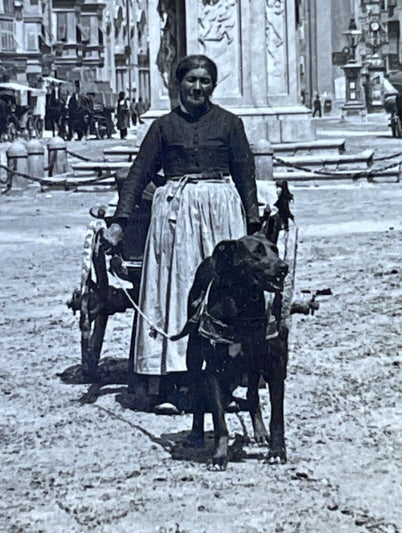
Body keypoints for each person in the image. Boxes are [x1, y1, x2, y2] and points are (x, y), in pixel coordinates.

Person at [105, 54, 260, 401]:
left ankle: (225, 373)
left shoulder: (230, 124)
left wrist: (253, 224)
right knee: (175, 289)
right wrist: (119, 223)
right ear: (179, 84)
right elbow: (138, 176)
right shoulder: (162, 127)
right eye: (191, 80)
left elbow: (245, 176)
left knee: (222, 292)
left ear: (213, 86)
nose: (198, 87)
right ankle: (174, 376)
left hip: (221, 215)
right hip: (175, 218)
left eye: (205, 81)